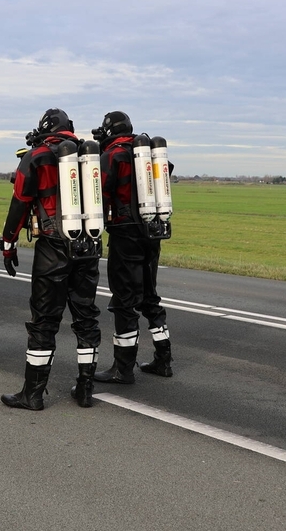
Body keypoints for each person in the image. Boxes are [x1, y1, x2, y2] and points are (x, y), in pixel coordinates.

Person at [0, 108, 101, 410]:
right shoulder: (90, 155)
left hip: (53, 246)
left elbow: (19, 203)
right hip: (90, 245)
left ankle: (32, 394)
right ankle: (85, 389)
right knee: (86, 318)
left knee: (44, 320)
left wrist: (8, 244)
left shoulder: (36, 156)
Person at [90, 111, 173, 384]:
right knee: (149, 294)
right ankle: (163, 360)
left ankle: (122, 369)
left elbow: (98, 193)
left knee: (124, 301)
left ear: (108, 130)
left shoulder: (112, 156)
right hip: (153, 232)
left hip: (126, 234)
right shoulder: (147, 154)